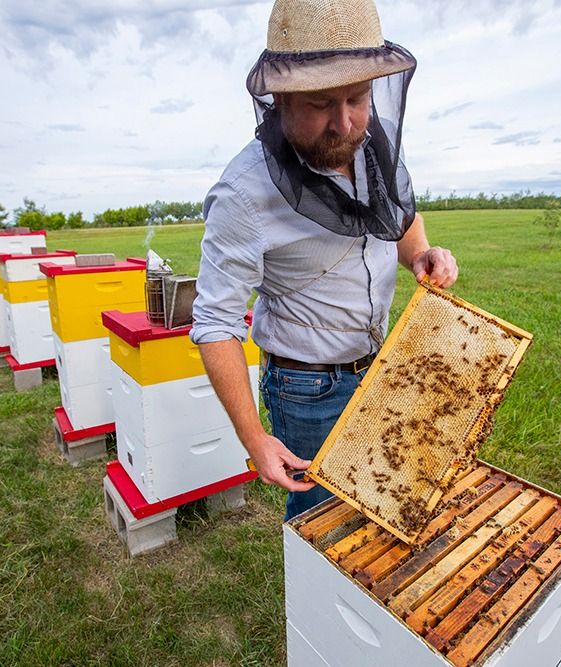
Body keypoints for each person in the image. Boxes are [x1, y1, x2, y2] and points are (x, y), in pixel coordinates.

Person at [191, 0, 458, 520]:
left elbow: (400, 219)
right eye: (319, 103)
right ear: (281, 96)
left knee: (381, 508)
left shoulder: (373, 144)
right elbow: (214, 321)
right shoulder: (243, 194)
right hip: (308, 388)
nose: (343, 123)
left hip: (383, 363)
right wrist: (255, 437)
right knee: (326, 529)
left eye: (357, 99)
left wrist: (422, 254)